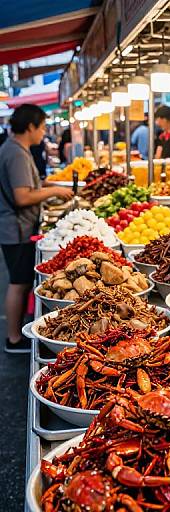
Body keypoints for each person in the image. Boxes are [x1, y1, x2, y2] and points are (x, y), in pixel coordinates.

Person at [0, 104, 74, 352]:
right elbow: (22, 196)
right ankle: (14, 339)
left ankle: (15, 334)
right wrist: (53, 190)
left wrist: (50, 183)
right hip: (16, 228)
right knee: (19, 283)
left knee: (20, 282)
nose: (43, 132)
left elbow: (28, 184)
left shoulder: (16, 149)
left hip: (17, 226)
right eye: (42, 127)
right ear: (30, 126)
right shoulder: (16, 153)